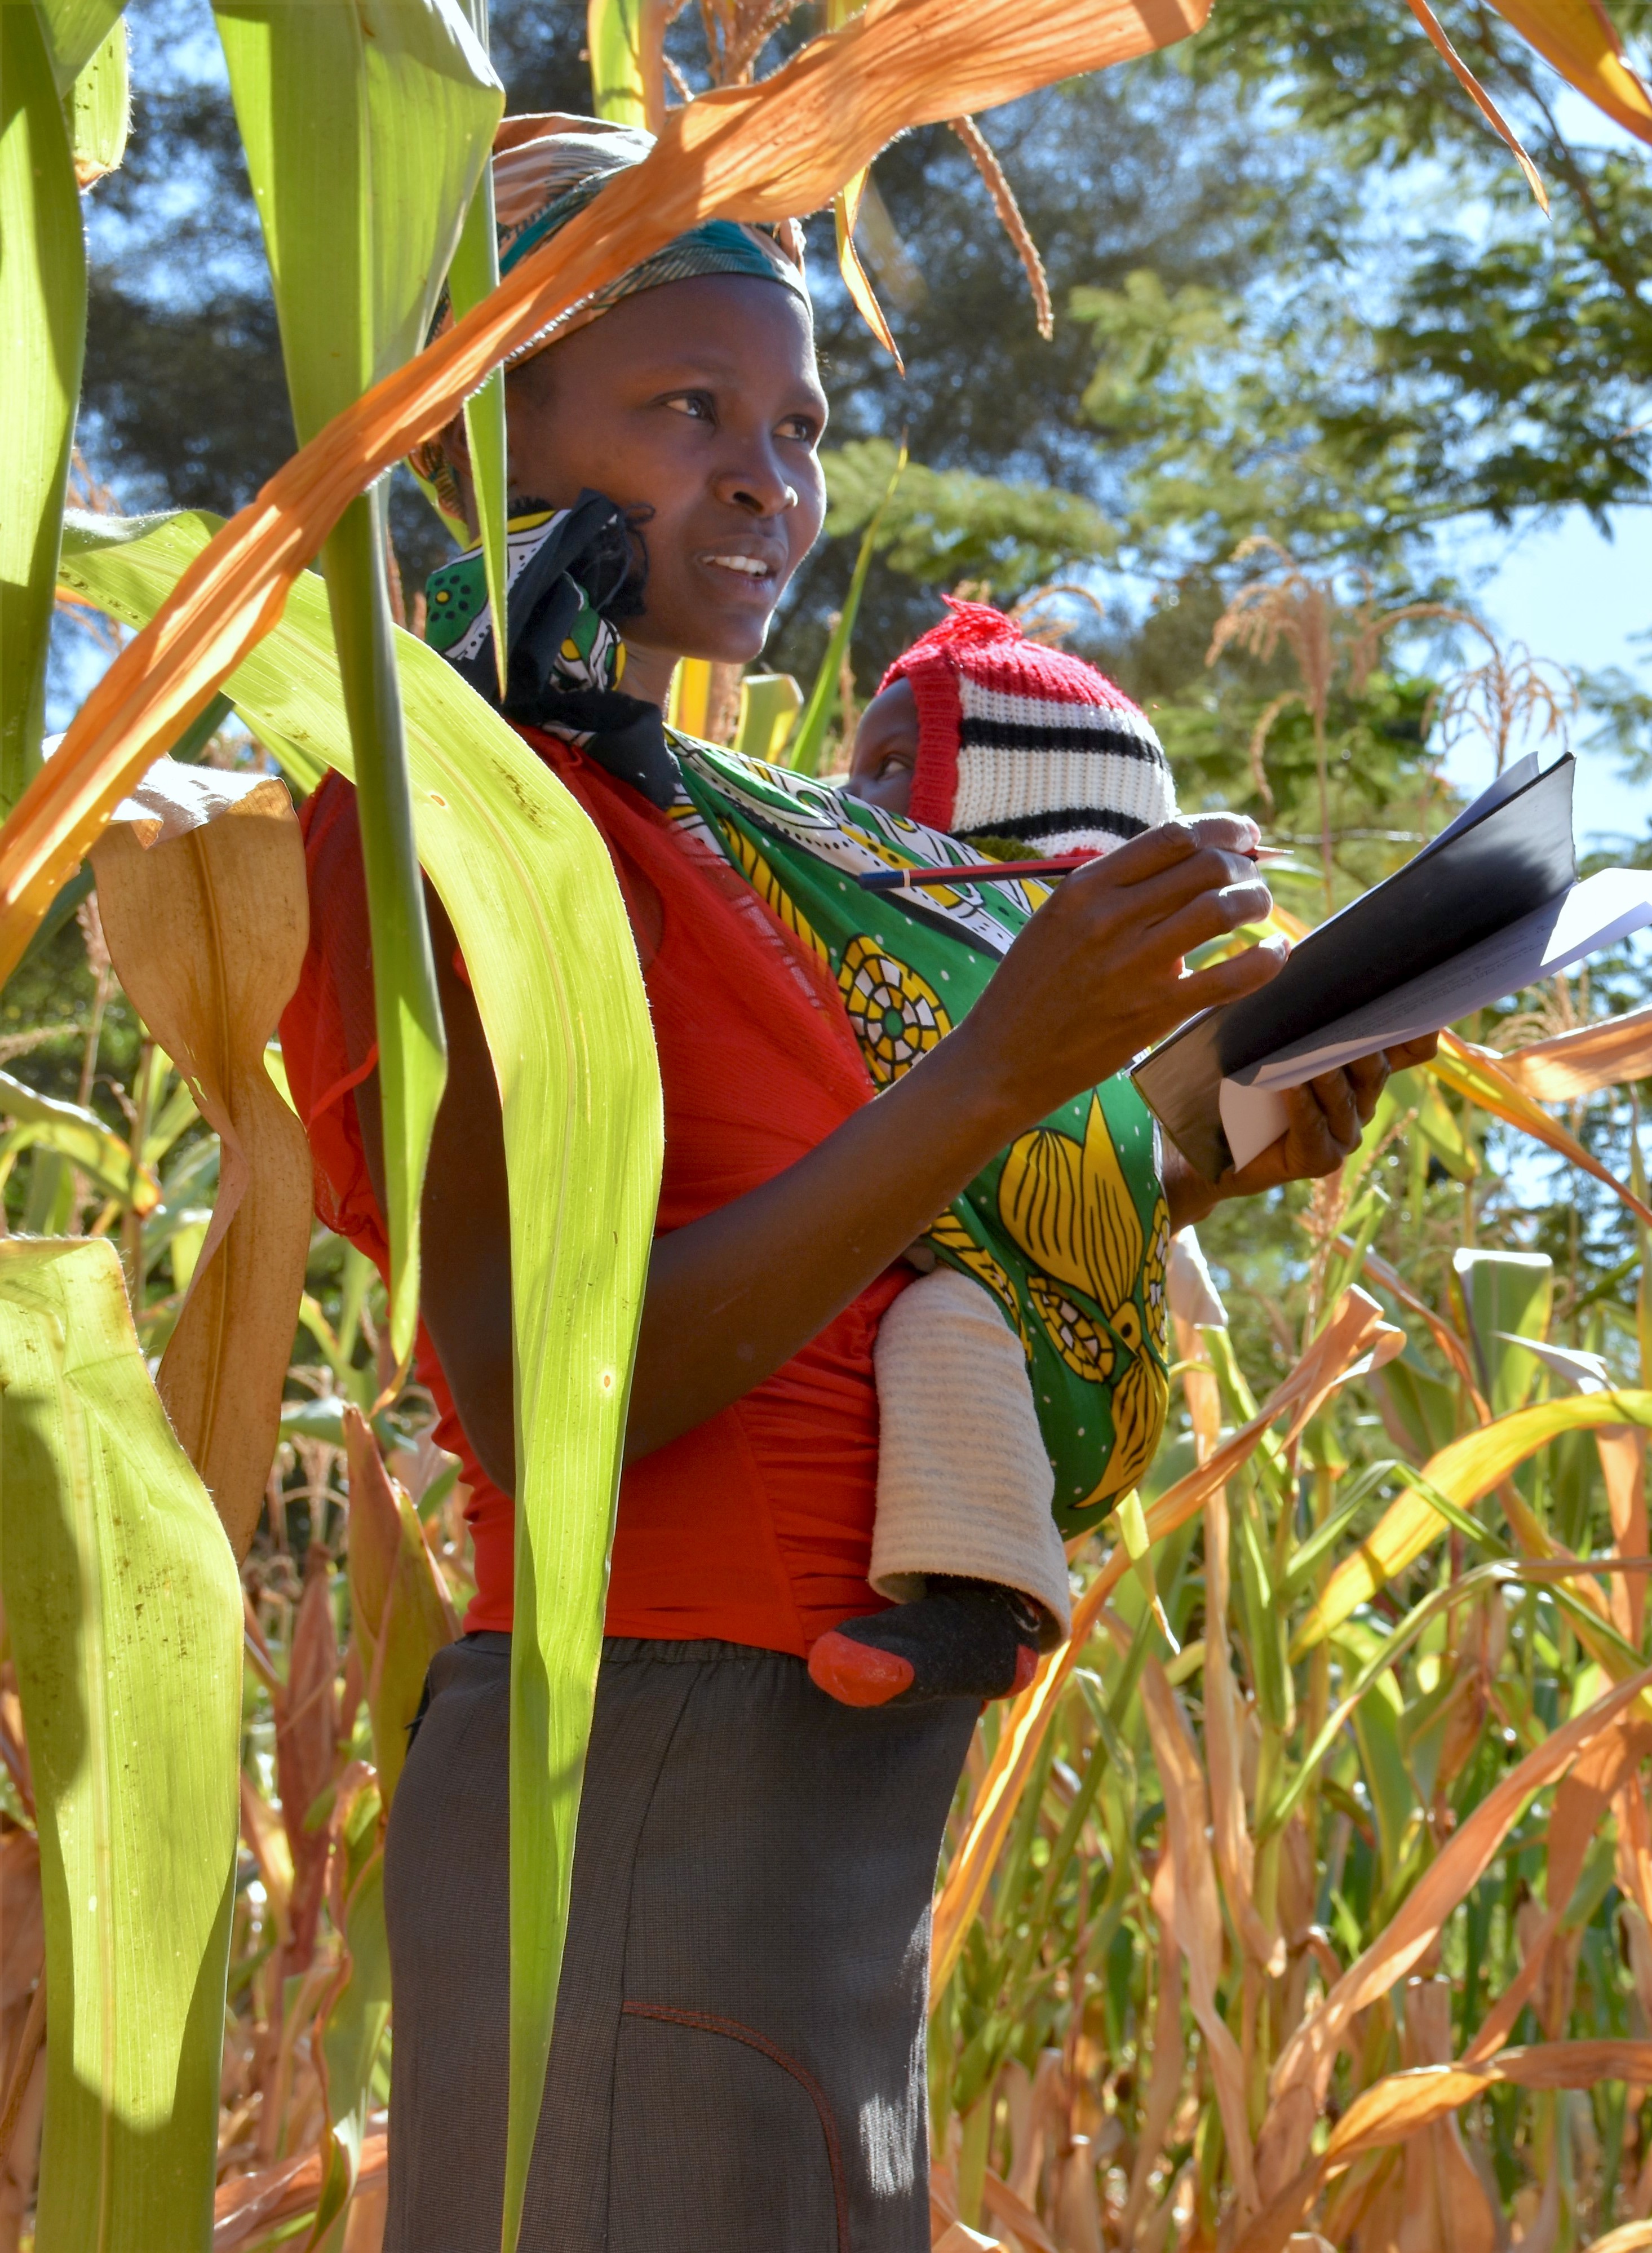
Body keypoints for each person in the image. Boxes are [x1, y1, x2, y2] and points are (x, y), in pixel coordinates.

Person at [281, 112, 1431, 2253]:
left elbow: (873, 1232)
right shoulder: (447, 812)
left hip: (826, 1772)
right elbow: (551, 1380)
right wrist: (1004, 1057)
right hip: (645, 1740)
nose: (765, 475)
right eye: (684, 408)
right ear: (487, 431)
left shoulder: (726, 837)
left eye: (799, 424)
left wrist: (1183, 1145)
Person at [804, 600, 1184, 1708]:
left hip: (1040, 1330)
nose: (844, 797)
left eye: (886, 769)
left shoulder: (1023, 984)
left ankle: (989, 1607)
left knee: (939, 1315)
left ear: (1004, 807)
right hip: (1060, 1303)